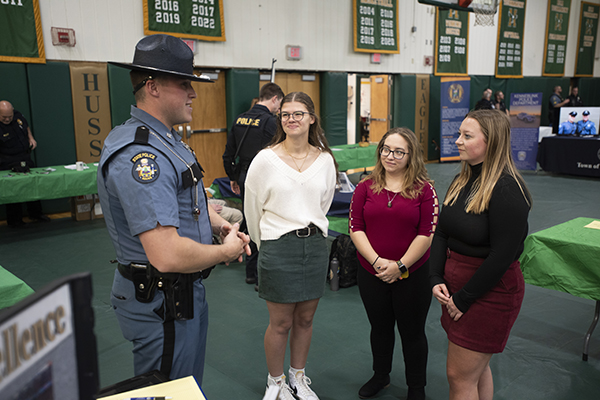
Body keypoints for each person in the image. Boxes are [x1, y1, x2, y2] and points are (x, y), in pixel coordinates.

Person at [97, 34, 250, 384]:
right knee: (171, 390)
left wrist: (217, 225)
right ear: (152, 87)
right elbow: (165, 254)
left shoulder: (166, 139)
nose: (193, 93)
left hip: (181, 295)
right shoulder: (141, 157)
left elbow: (187, 201)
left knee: (187, 387)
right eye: (184, 84)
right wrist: (224, 251)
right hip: (161, 302)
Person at [429, 109, 531, 400]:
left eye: (467, 136)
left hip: (488, 293)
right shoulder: (462, 180)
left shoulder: (508, 189)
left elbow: (502, 256)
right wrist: (435, 275)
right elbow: (442, 232)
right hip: (457, 289)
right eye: (460, 133)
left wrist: (463, 299)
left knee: (459, 377)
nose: (457, 140)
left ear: (492, 142)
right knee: (475, 370)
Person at [244, 92, 337, 400]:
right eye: (285, 114)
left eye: (298, 114)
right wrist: (267, 243)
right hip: (277, 248)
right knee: (281, 323)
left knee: (306, 319)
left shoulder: (325, 160)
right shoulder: (265, 159)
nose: (291, 119)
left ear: (312, 118)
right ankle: (276, 382)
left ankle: (298, 378)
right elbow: (252, 210)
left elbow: (322, 206)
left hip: (314, 248)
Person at [349, 128, 438, 400]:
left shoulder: (425, 191)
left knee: (412, 333)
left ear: (411, 155)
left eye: (399, 152)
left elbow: (427, 233)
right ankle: (381, 376)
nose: (390, 156)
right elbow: (356, 227)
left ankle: (416, 387)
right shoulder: (365, 187)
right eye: (386, 149)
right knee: (380, 328)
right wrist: (377, 262)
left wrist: (400, 266)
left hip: (413, 275)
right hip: (371, 273)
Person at [223, 83, 284, 287]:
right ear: (274, 99)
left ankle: (251, 272)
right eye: (280, 104)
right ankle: (262, 275)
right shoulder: (270, 122)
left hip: (243, 175)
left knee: (250, 220)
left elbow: (228, 153)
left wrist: (233, 176)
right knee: (266, 222)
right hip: (265, 177)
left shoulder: (239, 119)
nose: (279, 109)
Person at [0, 100, 50, 227]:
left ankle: (36, 214)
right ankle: (15, 220)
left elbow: (25, 126)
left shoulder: (17, 115)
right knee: (14, 190)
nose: (7, 119)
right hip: (7, 160)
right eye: (4, 117)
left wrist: (31, 137)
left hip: (25, 157)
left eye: (9, 116)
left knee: (32, 185)